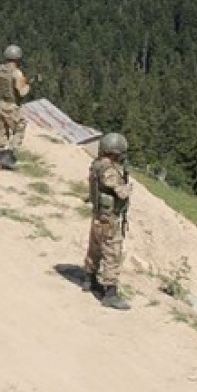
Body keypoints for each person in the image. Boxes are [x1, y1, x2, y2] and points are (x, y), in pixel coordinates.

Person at [83, 132, 133, 310]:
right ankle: (110, 293)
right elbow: (121, 192)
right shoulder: (109, 170)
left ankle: (89, 279)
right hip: (109, 219)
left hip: (98, 216)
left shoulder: (95, 165)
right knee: (112, 253)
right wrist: (128, 187)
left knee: (94, 249)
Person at [0, 44, 31, 169]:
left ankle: (1, 150)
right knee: (20, 126)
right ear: (18, 58)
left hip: (0, 104)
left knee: (3, 128)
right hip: (12, 106)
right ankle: (9, 153)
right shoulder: (17, 73)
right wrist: (28, 86)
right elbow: (22, 92)